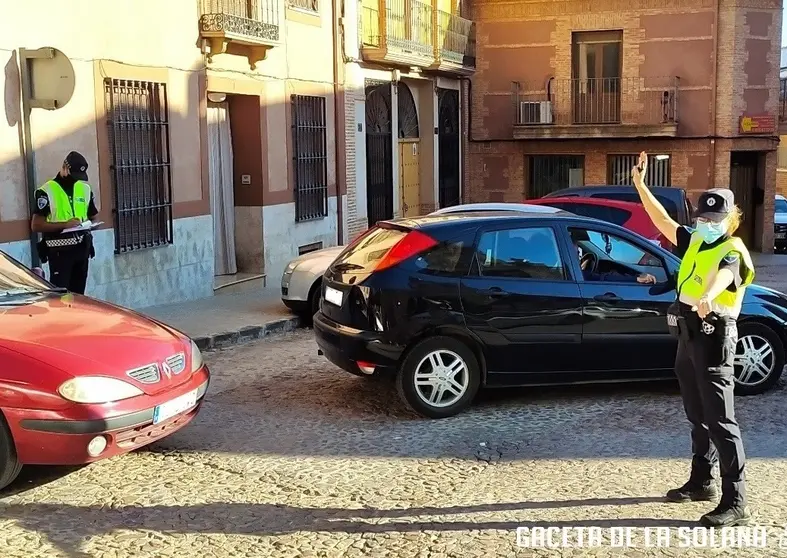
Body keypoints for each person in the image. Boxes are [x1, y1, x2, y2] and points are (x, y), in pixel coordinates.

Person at [631, 151, 754, 527]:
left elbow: (725, 276)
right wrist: (639, 184)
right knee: (696, 415)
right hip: (688, 332)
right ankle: (702, 482)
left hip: (714, 333)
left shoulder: (732, 248)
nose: (705, 224)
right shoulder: (697, 242)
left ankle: (737, 501)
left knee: (721, 419)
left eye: (713, 219)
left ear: (730, 220)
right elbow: (662, 220)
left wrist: (707, 297)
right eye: (702, 218)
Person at [30, 151, 99, 294]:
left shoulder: (85, 189)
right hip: (60, 253)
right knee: (61, 296)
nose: (76, 180)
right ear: (65, 168)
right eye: (73, 175)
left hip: (82, 250)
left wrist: (89, 225)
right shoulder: (46, 191)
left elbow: (93, 216)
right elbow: (36, 225)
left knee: (79, 296)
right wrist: (64, 225)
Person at [574, 242, 656, 284]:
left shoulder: (568, 273)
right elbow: (603, 278)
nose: (579, 257)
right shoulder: (576, 275)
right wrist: (636, 279)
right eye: (577, 253)